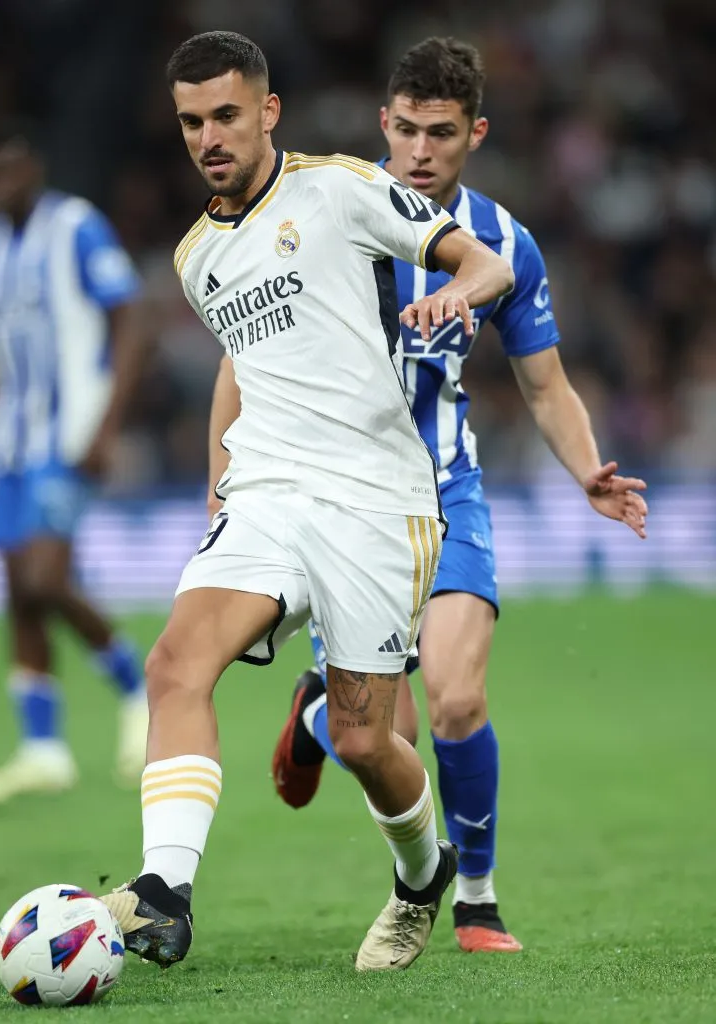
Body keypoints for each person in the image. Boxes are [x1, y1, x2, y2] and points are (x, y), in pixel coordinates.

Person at [99, 31, 514, 973]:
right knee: (174, 664)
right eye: (191, 122)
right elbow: (248, 371)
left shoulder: (337, 187)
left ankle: (421, 876)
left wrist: (458, 292)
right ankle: (164, 891)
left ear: (268, 112)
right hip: (268, 493)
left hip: (376, 498)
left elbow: (481, 262)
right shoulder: (196, 257)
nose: (209, 136)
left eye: (226, 116)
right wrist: (219, 485)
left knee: (369, 738)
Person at [264, 37, 649, 954]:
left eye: (441, 132)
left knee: (455, 703)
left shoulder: (503, 241)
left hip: (447, 491)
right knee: (377, 740)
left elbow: (545, 386)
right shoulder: (322, 221)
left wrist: (586, 470)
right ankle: (319, 715)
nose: (421, 150)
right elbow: (250, 363)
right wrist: (223, 481)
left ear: (474, 133)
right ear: (382, 125)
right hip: (343, 505)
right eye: (405, 129)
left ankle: (473, 897)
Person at [0, 122, 149, 803]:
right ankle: (42, 749)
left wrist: (106, 424)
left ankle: (140, 692)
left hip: (68, 432)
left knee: (47, 579)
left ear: (33, 166)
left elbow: (131, 321)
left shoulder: (76, 227)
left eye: (7, 170)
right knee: (18, 593)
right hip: (8, 444)